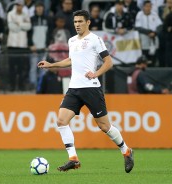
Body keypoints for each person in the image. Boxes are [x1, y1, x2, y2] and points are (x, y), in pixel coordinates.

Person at [38, 10, 134, 173]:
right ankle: (73, 159)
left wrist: (95, 73)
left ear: (88, 22)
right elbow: (71, 60)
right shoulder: (72, 40)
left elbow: (108, 62)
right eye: (75, 22)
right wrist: (51, 64)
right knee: (61, 121)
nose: (77, 25)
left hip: (91, 88)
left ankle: (126, 150)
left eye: (80, 22)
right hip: (74, 88)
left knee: (104, 126)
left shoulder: (95, 40)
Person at [7, 0, 31, 91]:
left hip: (22, 45)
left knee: (21, 68)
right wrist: (22, 25)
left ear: (23, 6)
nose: (19, 7)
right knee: (12, 68)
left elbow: (28, 27)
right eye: (17, 5)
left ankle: (21, 86)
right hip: (12, 44)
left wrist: (18, 23)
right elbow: (11, 27)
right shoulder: (10, 14)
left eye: (20, 5)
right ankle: (12, 86)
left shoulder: (26, 14)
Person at [135, 0, 162, 66]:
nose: (148, 8)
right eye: (146, 6)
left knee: (154, 58)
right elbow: (137, 27)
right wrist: (148, 32)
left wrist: (154, 33)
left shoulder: (154, 14)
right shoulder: (139, 14)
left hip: (154, 39)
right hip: (144, 40)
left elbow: (160, 26)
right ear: (143, 7)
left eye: (150, 6)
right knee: (144, 58)